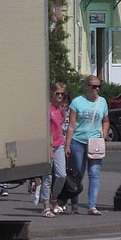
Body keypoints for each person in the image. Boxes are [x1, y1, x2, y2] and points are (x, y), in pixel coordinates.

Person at [64, 74, 110, 215]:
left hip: (95, 141)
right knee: (77, 174)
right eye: (93, 86)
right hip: (78, 141)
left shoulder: (102, 102)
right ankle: (75, 203)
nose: (96, 89)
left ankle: (92, 206)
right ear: (86, 87)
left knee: (94, 174)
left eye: (98, 86)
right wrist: (67, 144)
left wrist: (104, 132)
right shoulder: (77, 102)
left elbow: (106, 120)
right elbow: (71, 125)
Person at [37, 82, 68, 216]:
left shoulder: (61, 109)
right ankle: (46, 206)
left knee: (62, 175)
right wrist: (47, 147)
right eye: (57, 93)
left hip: (59, 144)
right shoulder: (47, 109)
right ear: (52, 94)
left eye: (62, 94)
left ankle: (54, 198)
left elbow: (63, 127)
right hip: (48, 145)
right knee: (47, 177)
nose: (60, 96)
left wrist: (67, 144)